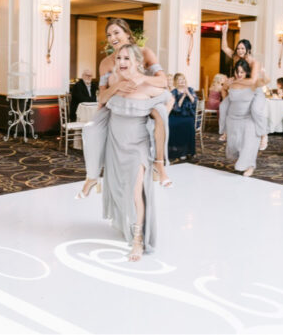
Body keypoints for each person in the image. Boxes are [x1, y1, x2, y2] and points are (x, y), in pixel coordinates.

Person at [97, 44, 170, 261]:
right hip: (115, 143)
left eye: (127, 58)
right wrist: (116, 89)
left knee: (136, 192)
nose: (122, 62)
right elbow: (102, 99)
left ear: (138, 62)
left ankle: (138, 240)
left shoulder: (148, 86)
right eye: (119, 57)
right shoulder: (113, 79)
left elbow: (168, 100)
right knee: (120, 189)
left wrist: (158, 119)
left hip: (137, 145)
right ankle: (124, 222)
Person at [80, 18, 170, 195]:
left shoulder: (145, 53)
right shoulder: (106, 63)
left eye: (116, 33)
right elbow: (103, 97)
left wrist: (142, 78)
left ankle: (159, 165)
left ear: (127, 34)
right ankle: (92, 176)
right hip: (116, 105)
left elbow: (163, 81)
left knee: (160, 114)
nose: (112, 37)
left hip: (143, 103)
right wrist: (116, 87)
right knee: (90, 131)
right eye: (108, 34)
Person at [220, 24, 269, 149]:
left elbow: (253, 81)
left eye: (242, 49)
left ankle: (264, 135)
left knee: (256, 111)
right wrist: (224, 32)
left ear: (248, 49)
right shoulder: (236, 57)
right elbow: (225, 47)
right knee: (224, 106)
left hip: (254, 91)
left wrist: (235, 82)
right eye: (238, 48)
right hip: (240, 91)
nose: (240, 51)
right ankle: (225, 131)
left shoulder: (254, 62)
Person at [223, 60, 263, 177]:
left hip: (249, 116)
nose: (239, 74)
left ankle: (251, 165)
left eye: (242, 72)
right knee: (236, 142)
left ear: (247, 73)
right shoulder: (233, 83)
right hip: (235, 117)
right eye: (237, 71)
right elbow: (226, 96)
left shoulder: (252, 83)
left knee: (248, 142)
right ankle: (242, 160)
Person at [168, 73, 197, 162]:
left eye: (183, 79)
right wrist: (183, 96)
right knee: (173, 125)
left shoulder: (191, 89)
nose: (182, 81)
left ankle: (186, 152)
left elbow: (194, 102)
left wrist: (188, 93)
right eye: (180, 79)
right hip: (176, 115)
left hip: (187, 115)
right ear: (176, 81)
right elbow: (177, 107)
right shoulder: (174, 92)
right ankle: (178, 152)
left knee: (188, 124)